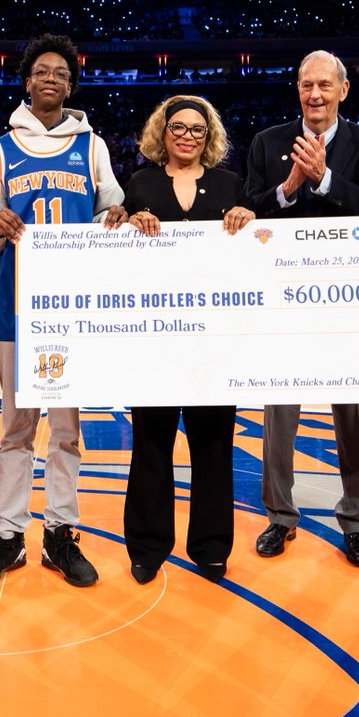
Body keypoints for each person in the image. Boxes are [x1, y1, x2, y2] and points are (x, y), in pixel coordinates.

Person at [0, 33, 127, 589]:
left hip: (74, 311)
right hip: (16, 307)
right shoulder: (0, 148)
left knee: (66, 430)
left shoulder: (93, 145)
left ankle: (60, 533)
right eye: (42, 71)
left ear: (70, 83)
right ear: (27, 80)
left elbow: (113, 208)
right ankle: (9, 536)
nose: (51, 79)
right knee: (15, 429)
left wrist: (118, 216)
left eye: (61, 71)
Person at [245, 50, 359, 569]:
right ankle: (280, 517)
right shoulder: (267, 143)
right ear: (297, 89)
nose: (315, 95)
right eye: (307, 85)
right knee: (279, 417)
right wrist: (287, 189)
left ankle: (356, 523)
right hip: (283, 301)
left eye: (325, 85)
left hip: (347, 305)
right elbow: (247, 213)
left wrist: (325, 180)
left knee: (354, 417)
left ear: (343, 90)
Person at [119, 95, 255, 583]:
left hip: (214, 341)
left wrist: (247, 218)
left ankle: (211, 545)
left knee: (214, 445)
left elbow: (254, 253)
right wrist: (129, 223)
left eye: (197, 129)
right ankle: (148, 545)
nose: (187, 136)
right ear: (163, 131)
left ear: (209, 137)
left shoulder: (230, 185)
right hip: (154, 339)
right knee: (150, 444)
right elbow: (119, 252)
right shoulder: (139, 183)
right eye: (178, 127)